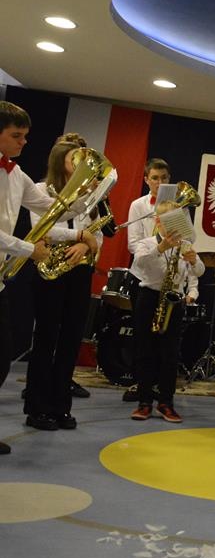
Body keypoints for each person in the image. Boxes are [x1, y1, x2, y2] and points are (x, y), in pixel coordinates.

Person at [24, 134, 103, 431]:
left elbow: (98, 232)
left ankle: (61, 406)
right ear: (60, 162)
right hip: (50, 269)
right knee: (46, 338)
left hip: (79, 270)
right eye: (75, 159)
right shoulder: (40, 189)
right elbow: (42, 229)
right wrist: (79, 236)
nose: (82, 165)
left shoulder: (90, 195)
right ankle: (37, 408)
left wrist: (85, 244)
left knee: (71, 339)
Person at [0, 102, 56, 454]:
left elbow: (50, 208)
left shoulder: (17, 174)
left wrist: (88, 195)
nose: (23, 142)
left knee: (2, 357)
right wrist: (28, 249)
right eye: (16, 135)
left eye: (25, 136)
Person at [129, 200, 205, 423]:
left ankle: (166, 402)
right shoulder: (146, 243)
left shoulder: (185, 245)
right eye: (168, 220)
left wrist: (194, 260)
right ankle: (144, 402)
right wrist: (160, 248)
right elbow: (139, 264)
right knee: (145, 351)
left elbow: (200, 271)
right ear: (158, 221)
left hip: (173, 301)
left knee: (170, 355)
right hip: (149, 297)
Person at [126, 158, 171, 255]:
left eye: (164, 178)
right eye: (155, 178)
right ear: (146, 180)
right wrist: (157, 250)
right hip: (148, 260)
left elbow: (190, 238)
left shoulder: (179, 204)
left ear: (169, 178)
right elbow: (133, 244)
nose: (160, 182)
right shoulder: (137, 205)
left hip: (173, 259)